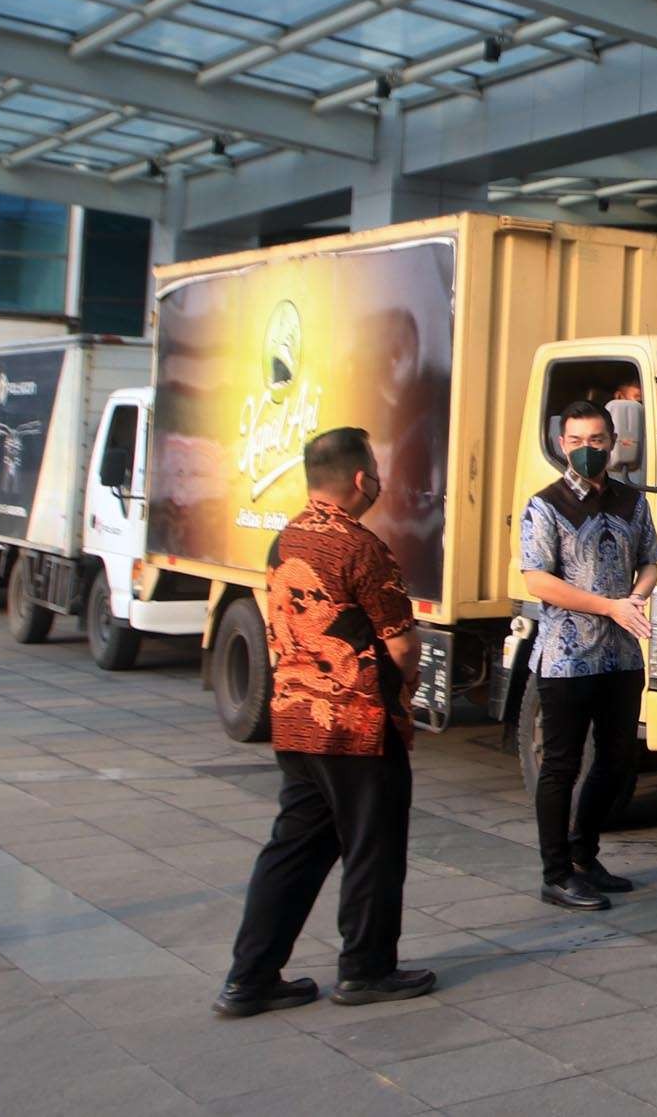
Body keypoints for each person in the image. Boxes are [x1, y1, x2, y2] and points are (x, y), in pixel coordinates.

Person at [215, 427, 434, 1017]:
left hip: (294, 721)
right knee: (372, 848)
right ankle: (366, 969)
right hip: (358, 728)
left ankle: (249, 977)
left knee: (291, 851)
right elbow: (402, 645)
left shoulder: (283, 541)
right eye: (374, 468)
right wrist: (405, 691)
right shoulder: (360, 548)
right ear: (362, 479)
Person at [520, 400, 657, 911]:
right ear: (562, 445)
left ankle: (586, 854)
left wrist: (638, 596)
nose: (586, 450)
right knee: (560, 765)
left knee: (619, 759)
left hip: (622, 655)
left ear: (613, 443)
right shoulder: (544, 505)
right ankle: (555, 873)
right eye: (576, 441)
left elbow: (650, 561)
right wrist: (608, 605)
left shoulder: (632, 501)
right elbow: (538, 580)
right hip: (566, 658)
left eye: (596, 440)